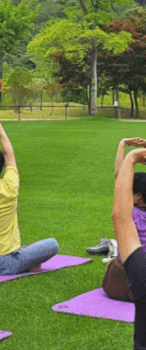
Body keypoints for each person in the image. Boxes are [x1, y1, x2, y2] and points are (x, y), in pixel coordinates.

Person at [0, 113, 58, 275]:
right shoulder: (10, 185)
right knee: (52, 244)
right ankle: (26, 265)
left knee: (23, 250)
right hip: (3, 263)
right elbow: (10, 155)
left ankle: (25, 263)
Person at [101, 137, 146, 302]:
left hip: (117, 287)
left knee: (117, 261)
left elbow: (118, 176)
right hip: (139, 286)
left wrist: (122, 144)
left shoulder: (128, 214)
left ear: (138, 196)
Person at [112, 145, 146, 349]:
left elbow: (119, 183)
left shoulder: (132, 215)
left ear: (139, 196)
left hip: (133, 270)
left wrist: (128, 153)